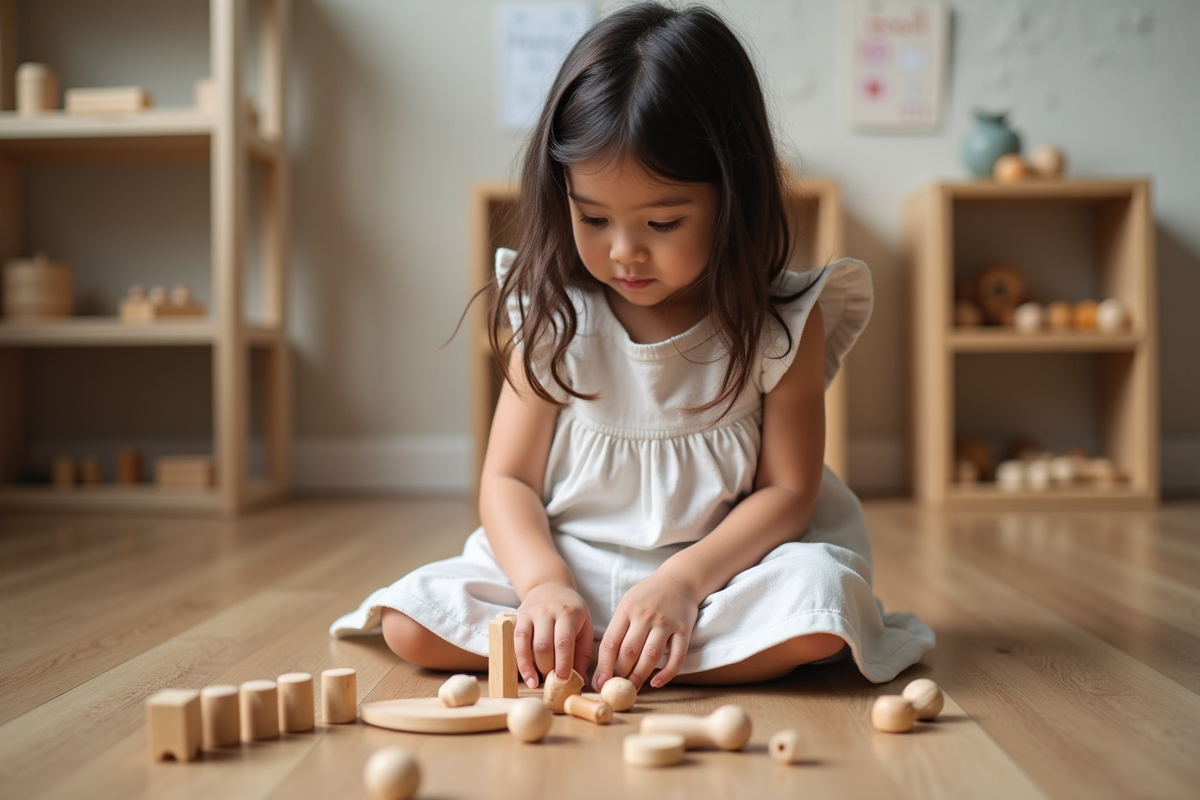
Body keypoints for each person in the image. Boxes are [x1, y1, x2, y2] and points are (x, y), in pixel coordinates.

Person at [330, 2, 934, 691]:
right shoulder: (555, 315)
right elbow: (508, 482)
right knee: (412, 623)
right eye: (593, 217)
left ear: (733, 196)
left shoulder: (782, 323)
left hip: (724, 573)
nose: (624, 251)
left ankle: (611, 653)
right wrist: (544, 586)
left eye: (663, 220)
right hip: (571, 563)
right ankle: (617, 648)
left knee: (818, 607)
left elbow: (790, 492)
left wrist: (681, 581)